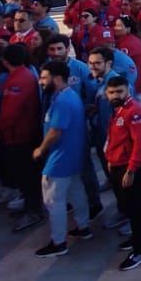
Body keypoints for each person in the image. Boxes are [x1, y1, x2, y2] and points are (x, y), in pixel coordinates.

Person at [33, 60, 91, 257]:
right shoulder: (69, 96)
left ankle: (58, 241)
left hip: (60, 158)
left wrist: (41, 149)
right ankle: (83, 226)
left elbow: (56, 131)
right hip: (73, 155)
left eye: (44, 78)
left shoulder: (63, 101)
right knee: (76, 190)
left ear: (56, 78)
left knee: (53, 199)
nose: (41, 82)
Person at [102, 75, 141, 270]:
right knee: (126, 205)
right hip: (117, 164)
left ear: (128, 91)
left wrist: (131, 169)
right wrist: (110, 159)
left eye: (119, 92)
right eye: (112, 92)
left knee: (135, 207)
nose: (115, 95)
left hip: (129, 167)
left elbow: (140, 144)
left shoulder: (135, 112)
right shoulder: (117, 111)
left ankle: (140, 250)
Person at [0, 44, 45, 233]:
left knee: (26, 175)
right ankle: (30, 205)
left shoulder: (18, 80)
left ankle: (34, 210)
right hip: (21, 133)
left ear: (5, 61)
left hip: (19, 135)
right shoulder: (24, 74)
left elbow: (10, 113)